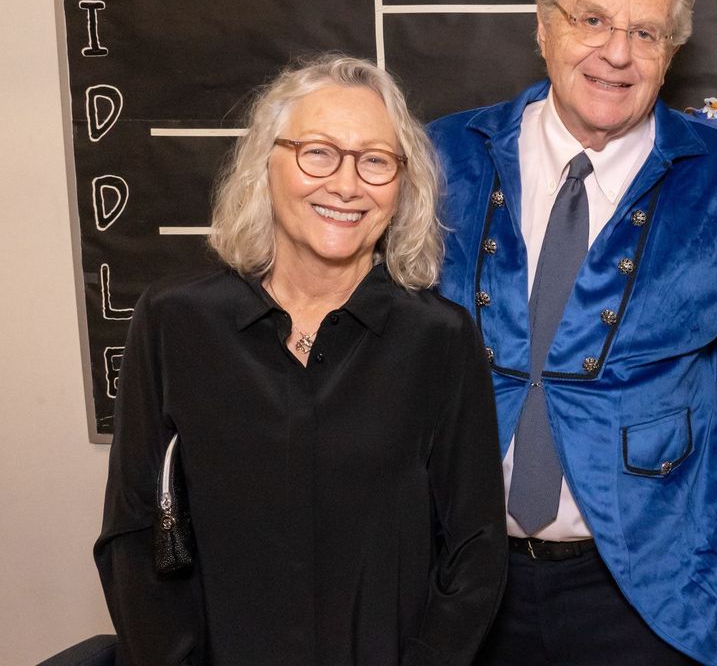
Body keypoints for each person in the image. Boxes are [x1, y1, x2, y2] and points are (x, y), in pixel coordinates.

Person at [427, 0, 717, 663]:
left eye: (645, 32)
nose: (617, 54)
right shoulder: (444, 156)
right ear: (544, 26)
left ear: (671, 51)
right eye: (591, 20)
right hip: (464, 579)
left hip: (655, 595)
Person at [94, 55, 507, 666]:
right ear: (266, 163)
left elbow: (475, 551)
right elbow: (133, 534)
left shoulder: (440, 339)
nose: (346, 185)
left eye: (375, 160)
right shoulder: (174, 322)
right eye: (318, 152)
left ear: (402, 185)